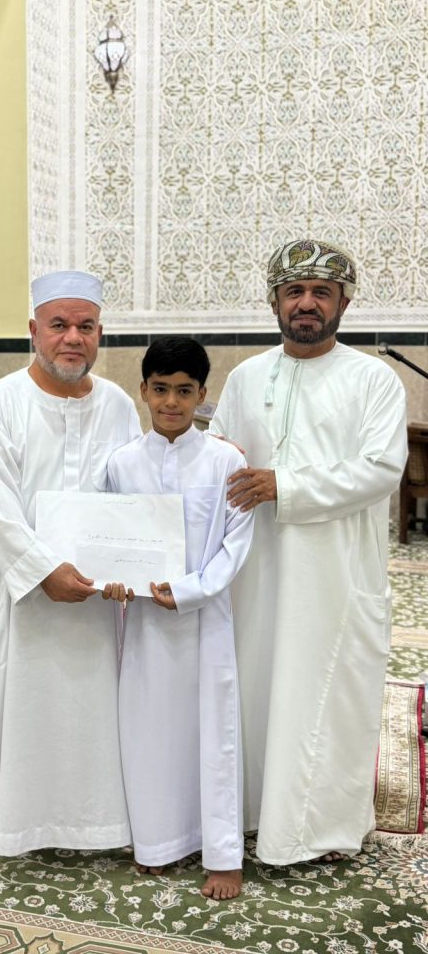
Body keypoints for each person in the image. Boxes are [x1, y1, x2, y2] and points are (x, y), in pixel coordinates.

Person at [209, 239, 407, 866]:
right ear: (274, 301)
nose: (307, 303)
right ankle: (250, 813)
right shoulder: (246, 377)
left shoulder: (373, 380)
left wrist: (285, 485)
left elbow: (381, 469)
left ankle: (320, 829)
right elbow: (219, 454)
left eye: (322, 292)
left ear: (344, 303)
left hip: (335, 575)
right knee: (254, 689)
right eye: (294, 291)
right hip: (256, 573)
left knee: (327, 696)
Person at [0, 270, 141, 862]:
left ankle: (95, 820)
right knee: (8, 699)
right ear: (33, 330)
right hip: (16, 593)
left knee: (91, 705)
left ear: (100, 333)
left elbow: (136, 492)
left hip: (93, 597)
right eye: (59, 325)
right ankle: (0, 819)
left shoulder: (117, 406)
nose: (72, 338)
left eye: (85, 326)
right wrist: (43, 571)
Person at [103, 337, 254, 900]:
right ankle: (157, 842)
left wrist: (190, 591)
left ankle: (223, 857)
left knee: (213, 733)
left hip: (205, 621)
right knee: (147, 731)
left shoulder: (226, 461)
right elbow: (107, 536)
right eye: (161, 389)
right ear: (143, 391)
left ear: (202, 395)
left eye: (184, 391)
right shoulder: (121, 463)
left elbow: (236, 545)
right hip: (142, 624)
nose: (171, 402)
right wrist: (111, 580)